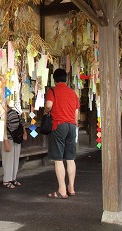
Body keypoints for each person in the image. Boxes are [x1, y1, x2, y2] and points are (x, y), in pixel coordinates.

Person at [44, 68, 80, 199]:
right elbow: (76, 113)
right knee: (70, 158)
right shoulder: (73, 93)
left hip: (58, 125)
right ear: (66, 79)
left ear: (54, 79)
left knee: (58, 159)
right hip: (72, 126)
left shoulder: (52, 91)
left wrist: (46, 111)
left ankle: (62, 190)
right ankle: (71, 187)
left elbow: (48, 105)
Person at [1, 107, 27, 188]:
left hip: (16, 138)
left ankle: (13, 178)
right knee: (8, 160)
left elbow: (21, 122)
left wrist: (24, 132)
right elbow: (2, 127)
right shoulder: (3, 112)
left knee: (15, 159)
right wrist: (5, 141)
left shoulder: (16, 109)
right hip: (8, 139)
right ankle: (6, 180)